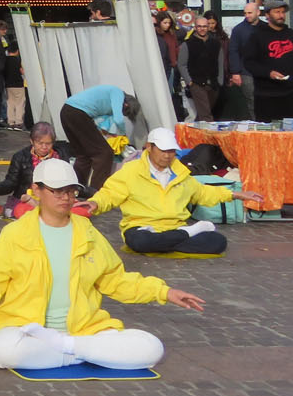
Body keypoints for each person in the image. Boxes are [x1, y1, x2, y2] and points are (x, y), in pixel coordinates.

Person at [0, 158, 206, 372]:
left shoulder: (88, 232)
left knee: (151, 348)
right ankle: (84, 353)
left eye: (70, 191)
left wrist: (163, 292)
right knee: (2, 351)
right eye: (57, 191)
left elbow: (116, 280)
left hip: (84, 329)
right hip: (28, 330)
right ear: (36, 191)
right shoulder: (16, 234)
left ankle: (69, 349)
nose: (66, 198)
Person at [88, 127, 263, 255]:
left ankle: (173, 238)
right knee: (139, 241)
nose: (168, 155)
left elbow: (202, 193)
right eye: (163, 150)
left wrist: (235, 194)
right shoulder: (130, 171)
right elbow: (110, 193)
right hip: (142, 227)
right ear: (149, 147)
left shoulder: (181, 173)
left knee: (218, 242)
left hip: (173, 226)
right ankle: (187, 234)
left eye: (171, 151)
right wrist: (95, 203)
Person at [0, 123, 77, 217]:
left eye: (48, 143)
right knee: (23, 212)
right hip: (27, 199)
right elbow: (11, 182)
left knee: (82, 210)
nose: (44, 147)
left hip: (56, 198)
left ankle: (48, 213)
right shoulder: (20, 157)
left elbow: (70, 182)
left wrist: (90, 194)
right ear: (32, 141)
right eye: (40, 143)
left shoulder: (61, 155)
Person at [58, 85, 139, 192]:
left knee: (83, 155)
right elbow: (118, 120)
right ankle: (95, 191)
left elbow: (99, 122)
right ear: (126, 104)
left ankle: (76, 189)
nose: (123, 114)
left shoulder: (107, 96)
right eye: (125, 112)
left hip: (66, 111)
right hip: (78, 113)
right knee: (104, 153)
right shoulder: (117, 93)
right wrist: (123, 135)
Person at [241, 0, 293, 121]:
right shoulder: (257, 36)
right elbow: (249, 62)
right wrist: (268, 73)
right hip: (266, 96)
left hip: (291, 93)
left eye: (283, 12)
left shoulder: (292, 35)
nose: (281, 15)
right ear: (267, 15)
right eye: (277, 12)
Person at [179, 15, 227, 123]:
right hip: (196, 83)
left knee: (204, 112)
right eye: (199, 26)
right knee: (206, 115)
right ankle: (209, 137)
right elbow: (182, 64)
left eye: (204, 26)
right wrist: (190, 82)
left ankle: (198, 134)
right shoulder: (187, 44)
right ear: (195, 27)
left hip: (213, 83)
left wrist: (220, 81)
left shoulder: (215, 43)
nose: (202, 29)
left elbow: (220, 62)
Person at [228, 1, 262, 118]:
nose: (247, 15)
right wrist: (235, 72)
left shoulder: (265, 28)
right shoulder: (238, 30)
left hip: (264, 72)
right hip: (246, 72)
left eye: (250, 13)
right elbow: (233, 51)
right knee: (252, 100)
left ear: (258, 12)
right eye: (245, 13)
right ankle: (256, 125)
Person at [0, 19, 26, 130]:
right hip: (18, 84)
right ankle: (19, 122)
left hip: (8, 84)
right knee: (20, 103)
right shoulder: (18, 60)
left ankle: (10, 122)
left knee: (10, 103)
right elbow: (22, 72)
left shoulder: (5, 60)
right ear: (18, 50)